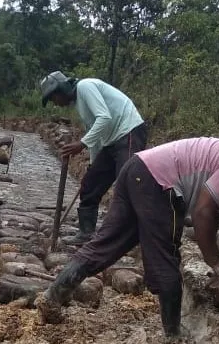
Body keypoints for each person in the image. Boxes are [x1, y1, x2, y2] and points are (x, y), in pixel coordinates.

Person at [35, 138, 219, 339]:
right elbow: (203, 211)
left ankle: (52, 296)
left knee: (106, 243)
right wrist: (215, 260)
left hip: (138, 168)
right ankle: (173, 334)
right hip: (157, 182)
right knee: (166, 255)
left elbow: (210, 211)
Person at [40, 71, 147, 245]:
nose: (56, 105)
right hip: (111, 141)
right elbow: (95, 133)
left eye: (53, 99)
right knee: (90, 184)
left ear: (60, 90)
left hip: (129, 132)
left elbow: (104, 118)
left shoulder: (85, 86)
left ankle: (131, 235)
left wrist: (80, 144)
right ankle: (86, 233)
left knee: (126, 184)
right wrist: (93, 163)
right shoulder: (80, 103)